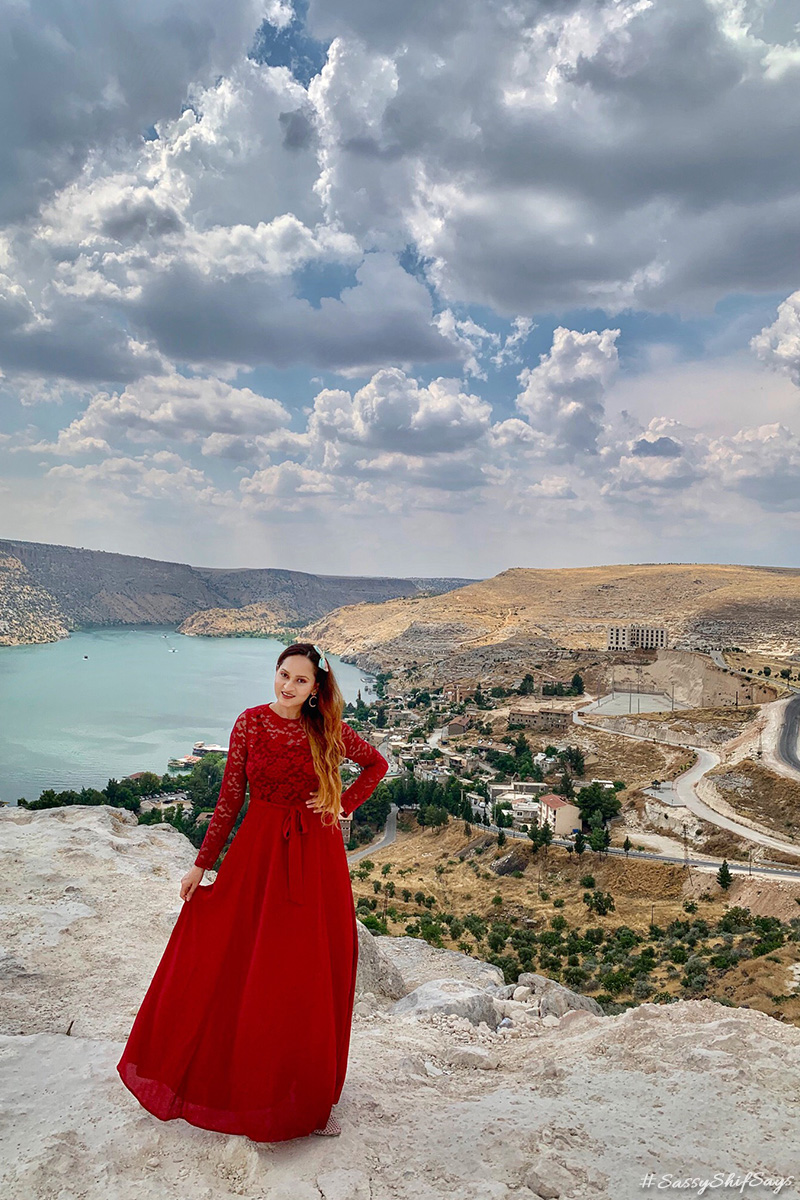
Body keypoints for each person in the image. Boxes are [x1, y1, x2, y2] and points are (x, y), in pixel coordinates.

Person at [116, 642, 389, 1142]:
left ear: (315, 689)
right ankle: (236, 1077)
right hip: (258, 850)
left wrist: (341, 804)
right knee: (236, 954)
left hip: (315, 855)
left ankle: (298, 1088)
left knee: (299, 968)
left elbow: (377, 765)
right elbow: (229, 799)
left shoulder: (326, 728)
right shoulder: (249, 723)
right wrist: (202, 864)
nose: (288, 686)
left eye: (301, 680)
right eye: (284, 674)